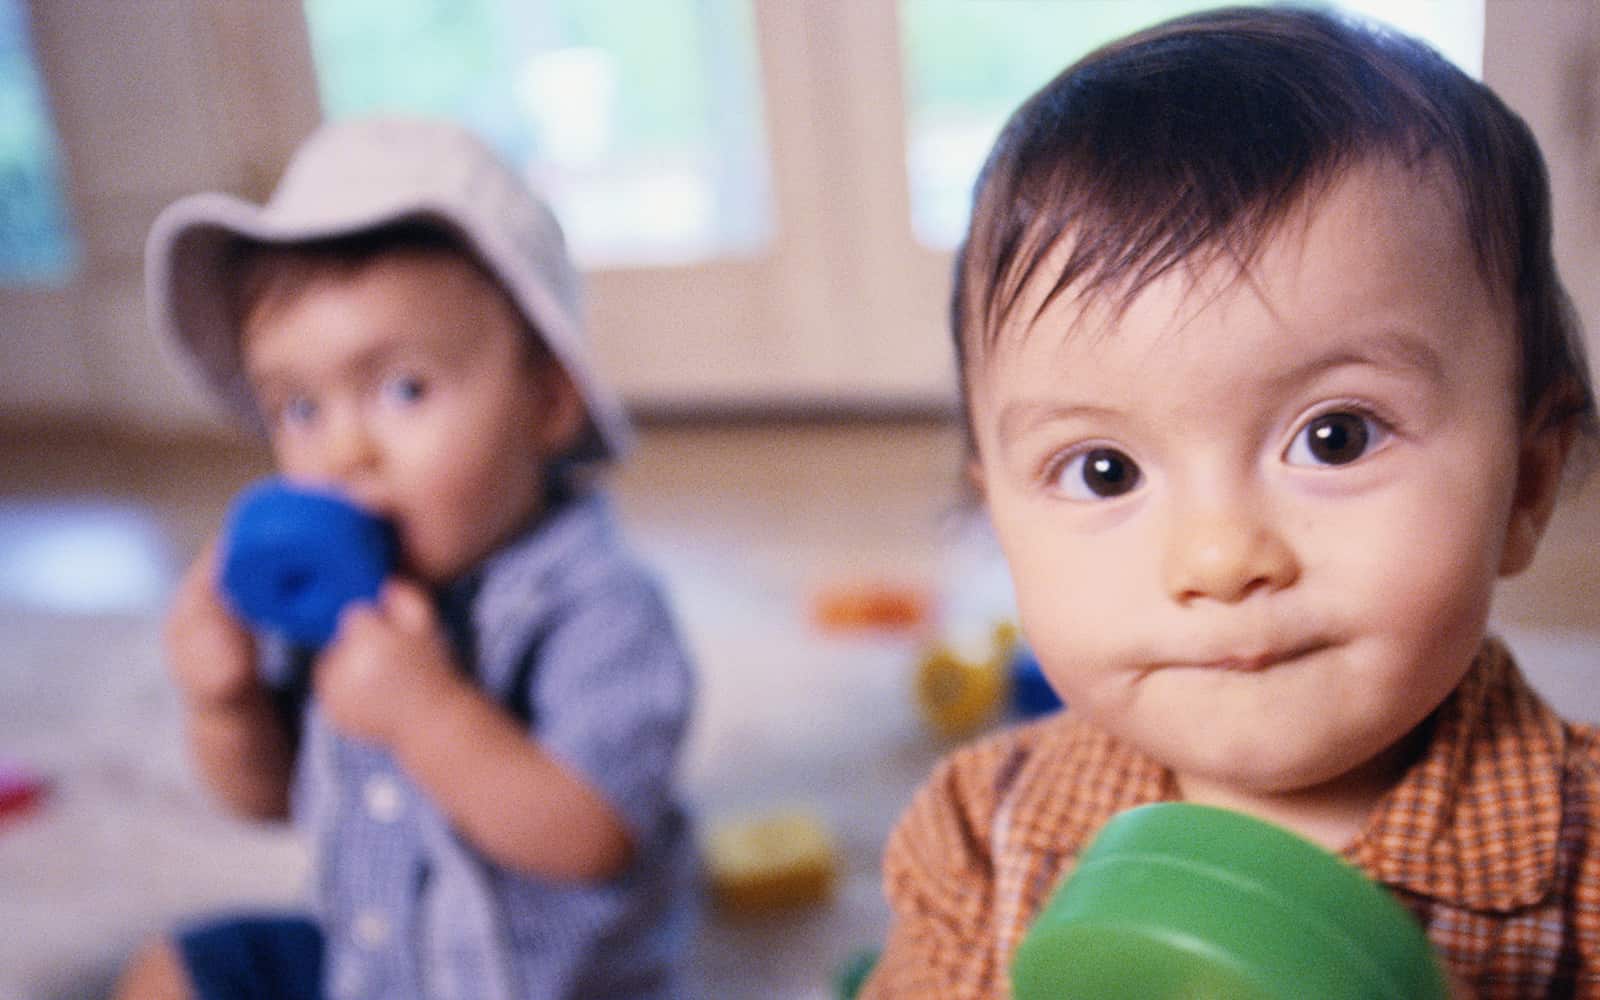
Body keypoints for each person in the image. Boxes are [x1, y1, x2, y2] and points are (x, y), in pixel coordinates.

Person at [862, 7, 1600, 998]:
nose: (1217, 556)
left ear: (1528, 481)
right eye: (1103, 470)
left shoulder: (1583, 863)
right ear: (999, 516)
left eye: (1332, 437)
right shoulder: (980, 834)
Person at [115, 116, 698, 1000]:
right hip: (377, 965)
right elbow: (271, 799)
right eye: (300, 409)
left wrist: (427, 714)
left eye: (403, 389)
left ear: (546, 400)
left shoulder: (601, 606)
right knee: (172, 971)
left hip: (542, 986)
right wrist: (227, 703)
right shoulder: (335, 604)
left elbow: (591, 838)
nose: (346, 452)